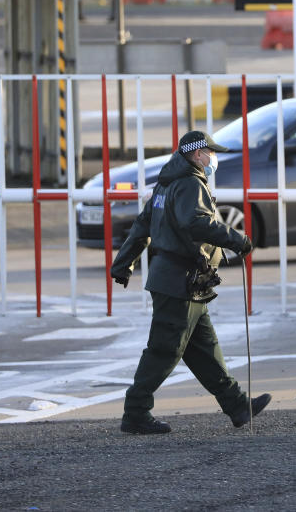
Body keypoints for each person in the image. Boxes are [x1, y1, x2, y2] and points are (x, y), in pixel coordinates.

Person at [110, 130, 272, 434]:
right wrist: (238, 240)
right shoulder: (189, 183)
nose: (214, 159)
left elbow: (143, 224)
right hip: (179, 281)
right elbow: (196, 222)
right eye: (211, 153)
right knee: (164, 350)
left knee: (204, 348)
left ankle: (237, 405)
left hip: (184, 281)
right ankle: (135, 411)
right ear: (197, 154)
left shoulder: (166, 183)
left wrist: (123, 263)